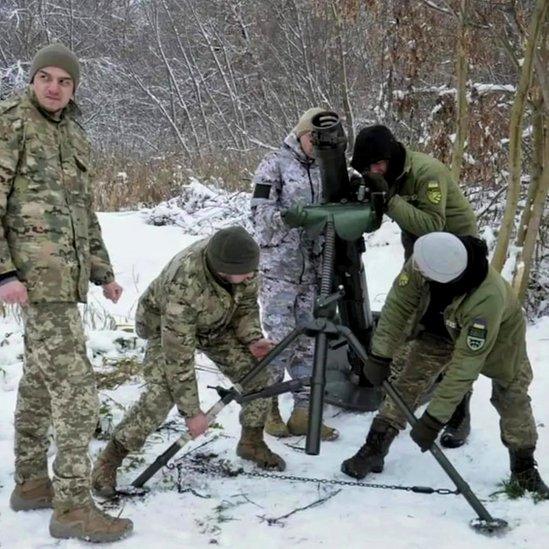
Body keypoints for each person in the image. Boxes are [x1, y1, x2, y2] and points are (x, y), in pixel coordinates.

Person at [0, 44, 132, 542]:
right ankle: (73, 507)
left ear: (74, 89)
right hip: (32, 280)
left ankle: (32, 482)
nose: (54, 87)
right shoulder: (10, 121)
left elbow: (82, 212)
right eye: (45, 78)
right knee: (77, 393)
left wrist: (103, 271)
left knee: (37, 381)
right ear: (32, 80)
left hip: (64, 281)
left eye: (64, 81)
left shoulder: (74, 132)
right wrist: (4, 274)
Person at [341, 232, 549, 500]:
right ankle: (374, 449)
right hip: (440, 330)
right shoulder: (428, 257)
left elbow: (465, 366)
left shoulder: (488, 297)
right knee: (406, 384)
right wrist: (380, 355)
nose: (415, 269)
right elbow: (398, 305)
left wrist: (434, 419)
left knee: (512, 397)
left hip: (499, 342)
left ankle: (523, 468)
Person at [92, 226, 285, 498]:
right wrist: (192, 413)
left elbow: (246, 306)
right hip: (165, 328)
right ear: (222, 270)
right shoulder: (184, 284)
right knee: (160, 397)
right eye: (247, 273)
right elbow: (178, 358)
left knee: (258, 377)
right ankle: (109, 460)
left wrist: (253, 339)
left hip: (215, 324)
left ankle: (251, 442)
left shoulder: (243, 263)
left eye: (253, 271)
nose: (253, 276)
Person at [351, 125, 478, 447]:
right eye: (366, 168)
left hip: (459, 256)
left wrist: (390, 199)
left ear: (389, 157)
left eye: (375, 166)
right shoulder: (386, 172)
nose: (372, 172)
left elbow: (432, 225)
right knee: (410, 320)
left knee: (447, 332)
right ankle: (404, 396)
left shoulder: (427, 173)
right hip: (421, 255)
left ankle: (459, 417)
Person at [250, 108, 339, 441]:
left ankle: (304, 412)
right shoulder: (273, 165)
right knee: (279, 343)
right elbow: (259, 213)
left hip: (314, 271)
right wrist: (289, 217)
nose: (317, 145)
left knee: (309, 344)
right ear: (300, 134)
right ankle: (268, 409)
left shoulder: (327, 170)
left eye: (322, 140)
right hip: (278, 271)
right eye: (312, 138)